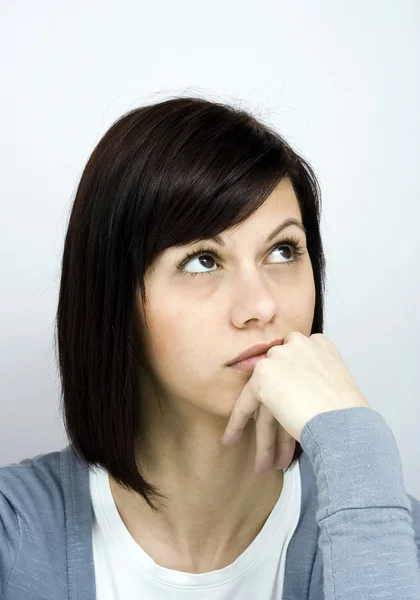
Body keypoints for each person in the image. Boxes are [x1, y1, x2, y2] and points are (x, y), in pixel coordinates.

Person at [1, 96, 419, 600]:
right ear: (114, 299)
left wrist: (357, 448)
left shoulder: (387, 535)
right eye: (203, 260)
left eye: (283, 251)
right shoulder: (14, 537)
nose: (261, 306)